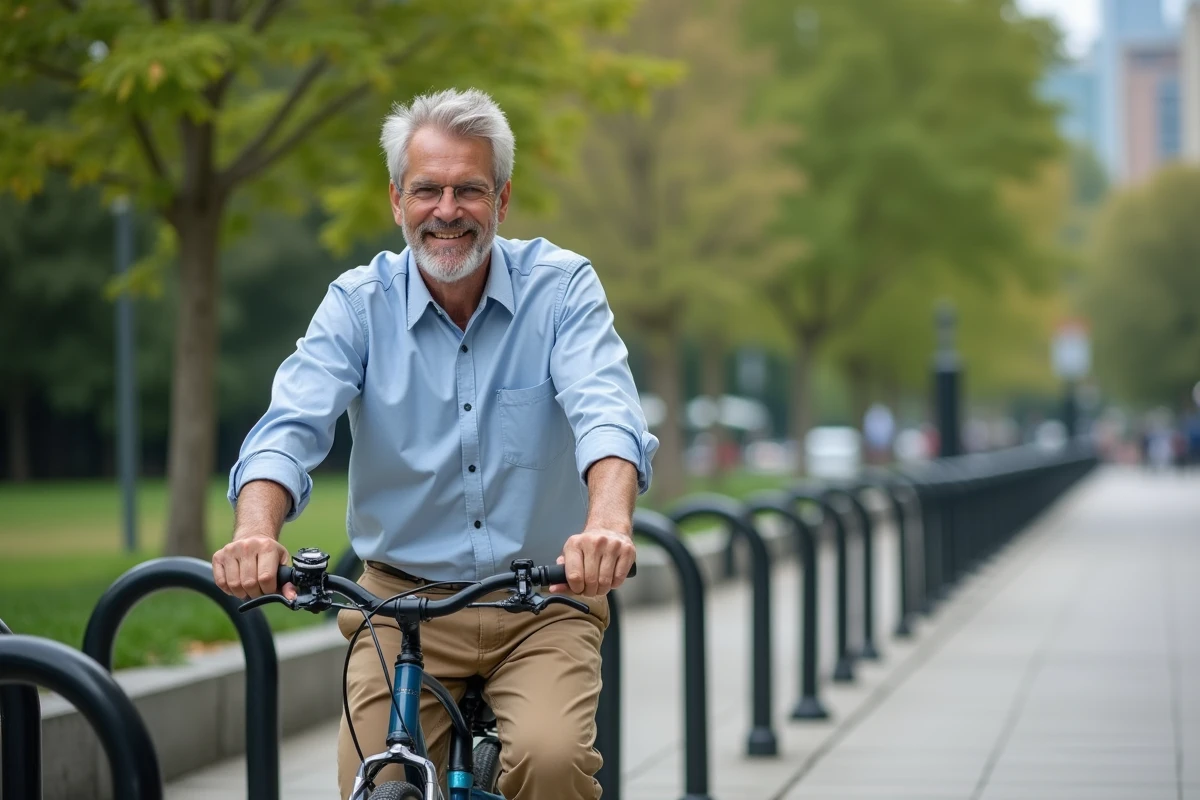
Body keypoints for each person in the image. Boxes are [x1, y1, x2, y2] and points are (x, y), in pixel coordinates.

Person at [213, 88, 658, 800]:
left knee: (550, 762)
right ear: (397, 201)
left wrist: (606, 522)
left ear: (503, 200)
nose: (447, 209)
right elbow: (289, 426)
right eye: (428, 189)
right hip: (399, 600)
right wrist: (255, 532)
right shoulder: (358, 305)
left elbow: (607, 412)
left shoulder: (563, 288)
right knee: (378, 780)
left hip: (541, 599)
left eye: (469, 190)